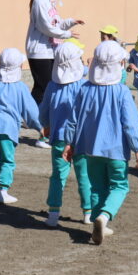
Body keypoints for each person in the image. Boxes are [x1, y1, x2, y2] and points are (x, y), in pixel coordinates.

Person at [59, 41, 138, 245]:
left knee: (97, 187)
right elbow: (131, 124)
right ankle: (104, 217)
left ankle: (99, 225)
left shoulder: (84, 89)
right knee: (119, 186)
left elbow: (72, 120)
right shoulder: (122, 91)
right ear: (120, 64)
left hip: (90, 149)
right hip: (116, 150)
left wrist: (69, 143)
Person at [0, 47, 43, 204]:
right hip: (6, 127)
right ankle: (3, 191)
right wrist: (40, 127)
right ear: (18, 67)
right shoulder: (20, 87)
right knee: (8, 159)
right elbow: (31, 111)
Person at [25, 0, 83, 147]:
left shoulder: (48, 2)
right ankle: (42, 132)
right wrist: (67, 34)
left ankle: (29, 117)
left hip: (50, 51)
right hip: (40, 52)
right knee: (46, 90)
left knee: (41, 89)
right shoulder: (39, 2)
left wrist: (71, 22)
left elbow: (56, 23)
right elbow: (45, 27)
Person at [39, 40, 92, 226]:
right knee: (84, 175)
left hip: (59, 139)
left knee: (57, 176)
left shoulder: (52, 86)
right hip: (81, 138)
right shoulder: (84, 86)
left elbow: (43, 111)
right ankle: (88, 213)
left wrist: (46, 126)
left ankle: (53, 214)